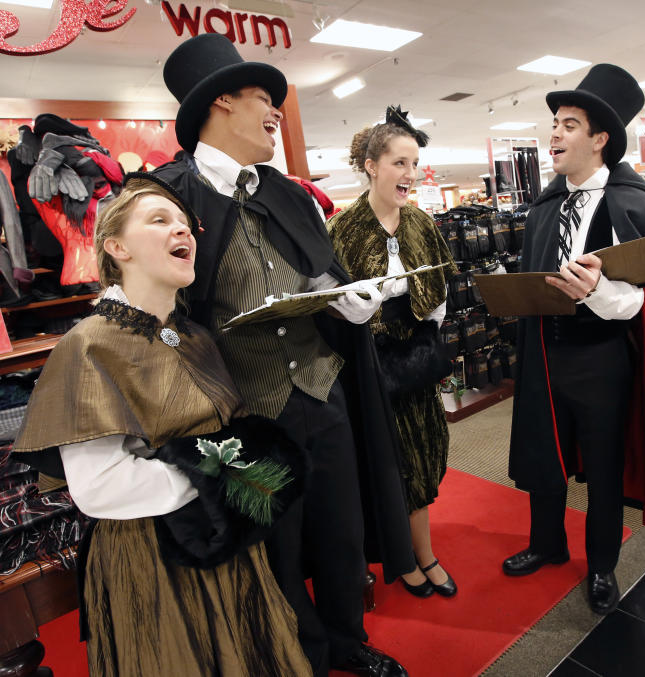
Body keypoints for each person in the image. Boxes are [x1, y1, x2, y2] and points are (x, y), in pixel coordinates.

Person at [155, 34, 412, 677]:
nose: (277, 111)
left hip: (321, 391)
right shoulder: (162, 197)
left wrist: (346, 299)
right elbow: (160, 313)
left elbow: (320, 271)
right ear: (222, 102)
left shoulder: (288, 192)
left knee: (341, 530)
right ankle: (303, 655)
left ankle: (349, 641)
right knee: (275, 545)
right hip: (244, 411)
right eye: (265, 99)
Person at [13, 173, 312, 677]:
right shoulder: (89, 345)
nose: (183, 231)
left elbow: (225, 433)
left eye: (184, 223)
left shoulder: (190, 334)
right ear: (117, 248)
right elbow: (100, 487)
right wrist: (218, 474)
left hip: (224, 539)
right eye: (159, 220)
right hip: (157, 560)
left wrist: (238, 469)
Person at [503, 64, 645, 616]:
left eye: (569, 124)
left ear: (600, 140)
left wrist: (597, 290)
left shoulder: (632, 204)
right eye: (554, 122)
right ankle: (548, 544)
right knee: (544, 455)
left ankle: (600, 565)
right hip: (547, 356)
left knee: (602, 467)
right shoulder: (545, 207)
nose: (554, 133)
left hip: (603, 361)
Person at [328, 106, 457, 599]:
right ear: (371, 165)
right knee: (392, 462)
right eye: (400, 163)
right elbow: (328, 305)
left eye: (414, 163)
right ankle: (413, 558)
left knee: (425, 454)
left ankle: (415, 552)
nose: (410, 174)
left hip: (416, 360)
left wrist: (430, 333)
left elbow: (440, 287)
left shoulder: (421, 224)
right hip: (369, 362)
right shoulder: (341, 229)